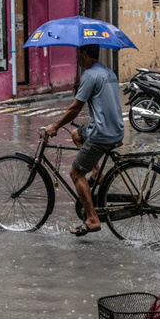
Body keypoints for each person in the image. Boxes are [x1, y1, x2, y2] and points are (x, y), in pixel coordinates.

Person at [44, 44, 124, 236]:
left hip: (101, 134)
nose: (76, 59)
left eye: (77, 54)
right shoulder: (108, 72)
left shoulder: (89, 75)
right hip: (116, 130)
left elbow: (75, 108)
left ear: (85, 54)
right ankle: (96, 172)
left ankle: (92, 219)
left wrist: (54, 126)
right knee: (76, 134)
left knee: (75, 173)